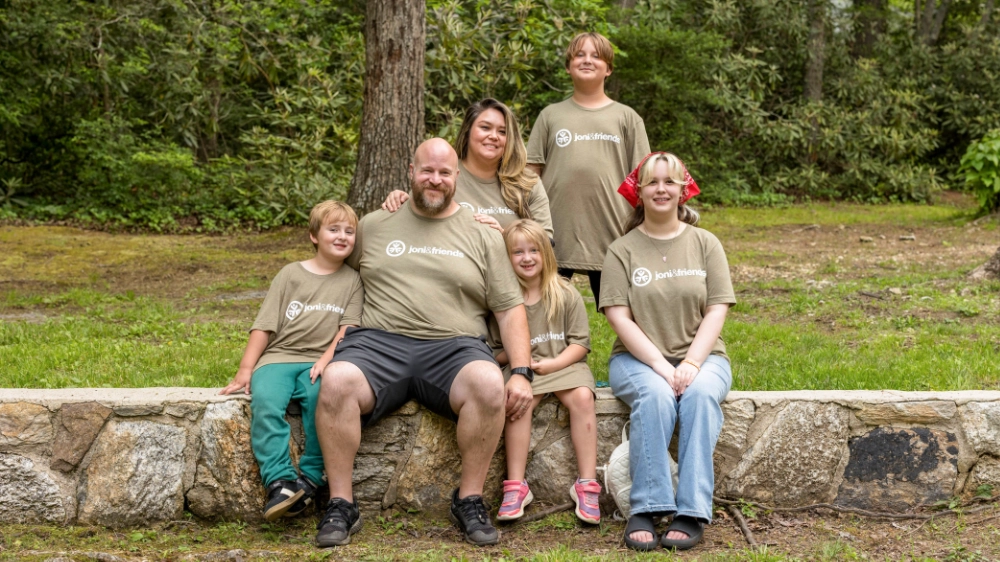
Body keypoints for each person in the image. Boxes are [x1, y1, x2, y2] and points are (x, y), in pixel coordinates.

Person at [313, 138, 535, 548]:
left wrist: (520, 371)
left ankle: (468, 499)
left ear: (457, 178)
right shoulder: (376, 224)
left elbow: (508, 308)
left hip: (454, 347)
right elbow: (337, 271)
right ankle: (342, 503)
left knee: (489, 384)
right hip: (378, 344)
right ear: (411, 172)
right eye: (427, 171)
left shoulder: (482, 232)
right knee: (338, 380)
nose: (435, 180)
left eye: (445, 172)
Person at [600, 152, 735, 551]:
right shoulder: (621, 250)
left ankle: (691, 510)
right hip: (635, 360)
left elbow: (717, 309)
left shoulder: (705, 243)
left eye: (669, 181)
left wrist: (692, 363)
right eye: (653, 182)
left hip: (705, 356)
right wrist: (661, 366)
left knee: (699, 395)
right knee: (656, 395)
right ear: (638, 191)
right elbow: (619, 317)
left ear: (683, 190)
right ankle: (645, 507)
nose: (661, 188)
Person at [220, 200, 364, 522]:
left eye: (349, 231)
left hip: (320, 360)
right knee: (267, 402)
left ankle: (311, 477)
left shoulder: (353, 280)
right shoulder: (290, 275)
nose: (342, 236)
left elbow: (348, 329)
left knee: (319, 400)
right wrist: (246, 370)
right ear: (314, 235)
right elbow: (264, 325)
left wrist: (328, 358)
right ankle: (280, 481)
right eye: (333, 229)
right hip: (279, 358)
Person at [485, 219, 601, 525]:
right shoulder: (504, 300)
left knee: (582, 399)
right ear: (505, 258)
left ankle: (587, 483)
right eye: (517, 252)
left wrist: (554, 364)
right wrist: (518, 356)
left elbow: (580, 344)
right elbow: (495, 351)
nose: (526, 257)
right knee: (518, 405)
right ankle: (516, 485)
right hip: (523, 370)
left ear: (546, 254)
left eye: (534, 250)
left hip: (564, 363)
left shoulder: (564, 294)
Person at [526, 31, 651, 305]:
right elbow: (530, 174)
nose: (587, 60)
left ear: (608, 69)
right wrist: (529, 223)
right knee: (546, 308)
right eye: (579, 54)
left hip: (613, 233)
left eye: (596, 55)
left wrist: (645, 227)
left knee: (624, 311)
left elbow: (644, 178)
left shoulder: (627, 118)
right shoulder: (550, 116)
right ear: (569, 65)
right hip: (556, 234)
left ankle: (633, 351)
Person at [381, 98, 553, 238]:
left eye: (502, 131)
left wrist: (504, 236)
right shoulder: (444, 176)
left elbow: (546, 241)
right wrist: (401, 201)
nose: (493, 136)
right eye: (485, 128)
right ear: (468, 131)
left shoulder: (527, 183)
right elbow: (419, 221)